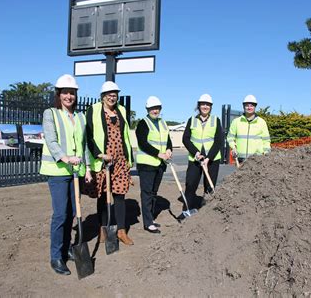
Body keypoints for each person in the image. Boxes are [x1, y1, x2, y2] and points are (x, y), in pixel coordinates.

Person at [39, 74, 91, 275]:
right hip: (58, 171)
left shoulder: (79, 117)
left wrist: (85, 168)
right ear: (59, 94)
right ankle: (56, 256)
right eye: (65, 92)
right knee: (60, 214)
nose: (69, 96)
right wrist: (65, 157)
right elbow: (51, 141)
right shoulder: (50, 113)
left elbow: (83, 144)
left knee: (72, 212)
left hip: (76, 172)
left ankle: (67, 247)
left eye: (72, 93)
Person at [85, 81, 134, 245]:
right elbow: (89, 135)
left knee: (120, 195)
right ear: (103, 96)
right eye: (109, 94)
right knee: (103, 197)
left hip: (120, 160)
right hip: (102, 161)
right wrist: (99, 154)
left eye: (115, 94)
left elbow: (126, 136)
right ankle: (103, 228)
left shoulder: (122, 110)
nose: (112, 97)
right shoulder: (93, 109)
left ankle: (121, 231)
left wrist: (129, 159)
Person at [135, 96, 173, 234]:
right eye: (152, 108)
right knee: (147, 193)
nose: (155, 111)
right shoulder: (143, 123)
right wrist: (158, 153)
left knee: (153, 193)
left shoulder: (163, 123)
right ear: (147, 109)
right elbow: (143, 143)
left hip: (159, 165)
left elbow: (168, 139)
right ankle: (148, 223)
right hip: (147, 164)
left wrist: (169, 149)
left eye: (157, 108)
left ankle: (150, 218)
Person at [182, 94, 223, 211]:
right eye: (203, 104)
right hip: (195, 159)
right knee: (190, 185)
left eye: (208, 104)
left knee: (209, 187)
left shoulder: (216, 120)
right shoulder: (192, 120)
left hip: (212, 160)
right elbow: (185, 139)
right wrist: (195, 153)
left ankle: (206, 212)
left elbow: (219, 140)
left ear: (211, 106)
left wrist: (208, 158)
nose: (205, 106)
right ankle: (187, 210)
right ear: (199, 106)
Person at [227, 94, 271, 163]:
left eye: (251, 105)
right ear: (243, 106)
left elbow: (266, 141)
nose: (249, 107)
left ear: (255, 107)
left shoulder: (262, 122)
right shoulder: (236, 122)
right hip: (240, 159)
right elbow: (230, 138)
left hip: (257, 160)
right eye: (247, 105)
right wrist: (233, 147)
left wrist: (267, 154)